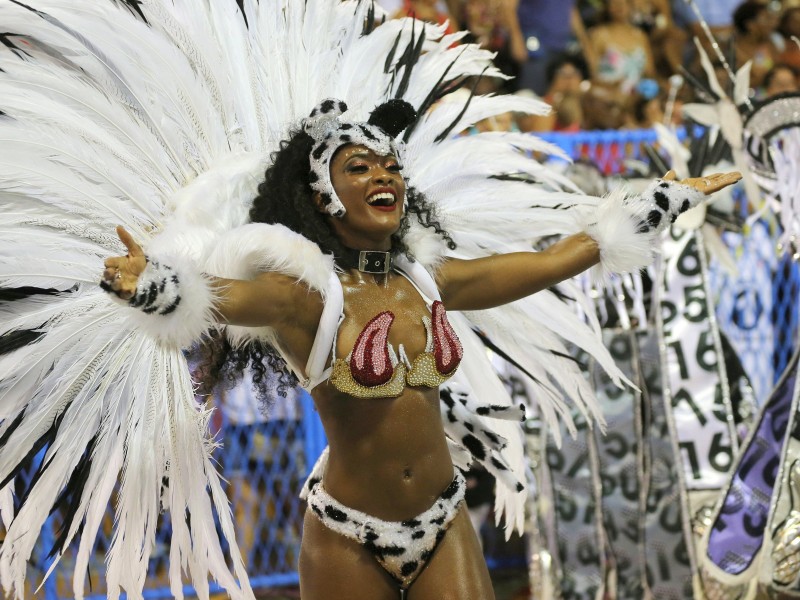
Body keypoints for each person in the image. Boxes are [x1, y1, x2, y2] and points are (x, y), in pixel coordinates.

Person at [100, 96, 740, 599]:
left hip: (443, 519)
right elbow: (223, 297)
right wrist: (154, 285)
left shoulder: (427, 280)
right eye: (359, 168)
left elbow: (549, 261)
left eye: (390, 167)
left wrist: (658, 202)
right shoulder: (306, 297)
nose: (383, 175)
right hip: (348, 535)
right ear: (322, 197)